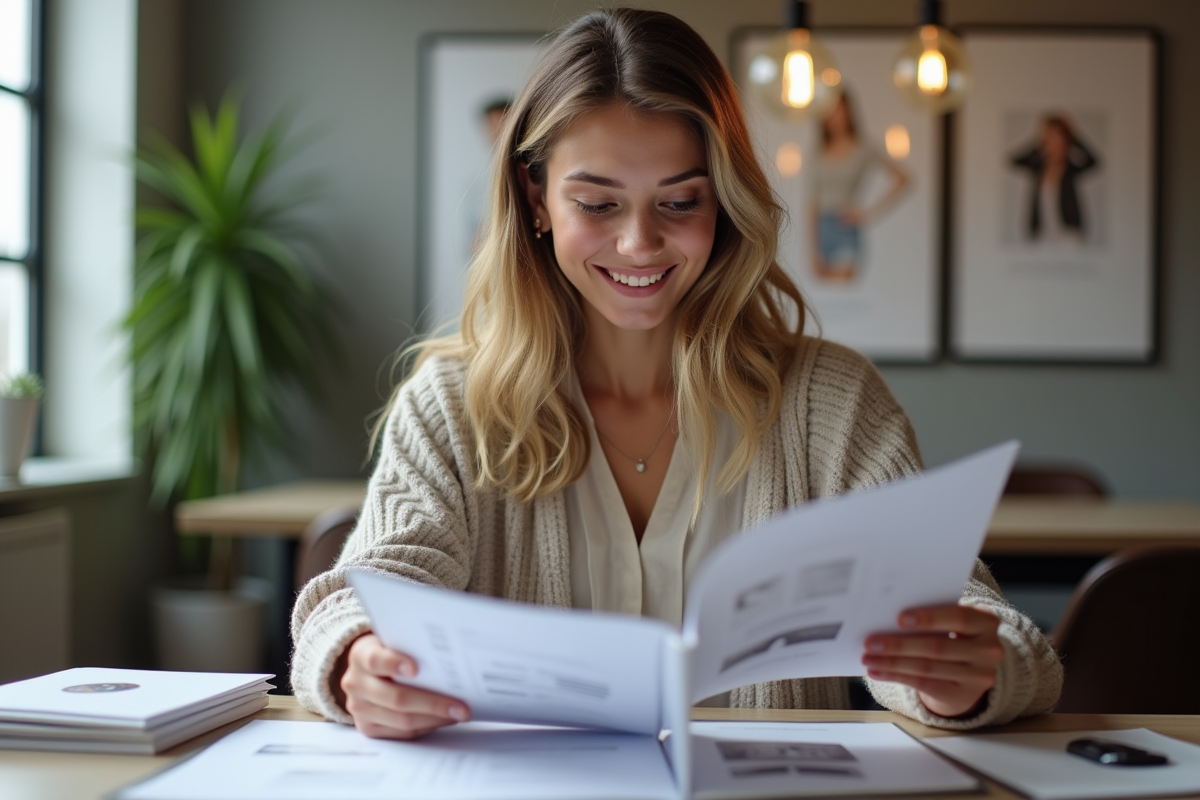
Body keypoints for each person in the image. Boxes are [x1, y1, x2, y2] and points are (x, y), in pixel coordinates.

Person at [291, 7, 1062, 741]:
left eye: (680, 201)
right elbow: (367, 592)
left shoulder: (830, 402)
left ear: (724, 201)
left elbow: (970, 613)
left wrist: (965, 676)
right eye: (597, 202)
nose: (639, 244)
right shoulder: (453, 406)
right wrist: (358, 657)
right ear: (536, 198)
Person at [810, 91, 909, 284]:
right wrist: (812, 248)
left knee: (845, 296)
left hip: (844, 224)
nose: (834, 116)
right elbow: (813, 201)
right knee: (824, 298)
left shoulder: (863, 148)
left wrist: (868, 213)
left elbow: (903, 179)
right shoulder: (819, 150)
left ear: (848, 112)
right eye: (829, 111)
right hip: (822, 228)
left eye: (838, 110)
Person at [1009, 114, 1099, 246]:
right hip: (1042, 235)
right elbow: (1015, 160)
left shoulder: (1070, 169)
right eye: (1049, 137)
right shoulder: (1038, 168)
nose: (1053, 142)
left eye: (1057, 137)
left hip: (1069, 234)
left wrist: (1074, 137)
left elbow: (1094, 161)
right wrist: (1039, 142)